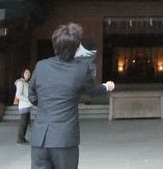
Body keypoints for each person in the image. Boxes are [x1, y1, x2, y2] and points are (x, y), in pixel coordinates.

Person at [29, 23, 115, 169]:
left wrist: (46, 106)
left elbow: (32, 95)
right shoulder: (81, 69)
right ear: (75, 48)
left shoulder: (41, 66)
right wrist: (107, 87)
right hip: (64, 139)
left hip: (39, 138)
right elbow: (92, 91)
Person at [15, 68, 33, 144]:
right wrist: (28, 99)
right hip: (24, 106)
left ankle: (22, 138)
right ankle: (20, 139)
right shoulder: (20, 82)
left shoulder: (26, 83)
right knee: (23, 123)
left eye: (29, 72)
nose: (28, 74)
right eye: (26, 73)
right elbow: (18, 95)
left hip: (27, 106)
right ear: (23, 74)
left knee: (25, 123)